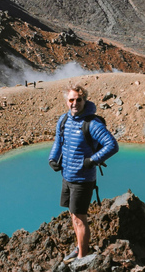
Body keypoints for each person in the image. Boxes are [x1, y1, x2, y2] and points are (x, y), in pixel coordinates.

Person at [48, 84, 118, 263]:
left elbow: (112, 145)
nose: (74, 103)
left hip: (83, 179)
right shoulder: (63, 120)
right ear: (66, 101)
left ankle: (81, 257)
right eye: (71, 100)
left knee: (80, 218)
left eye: (78, 100)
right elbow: (59, 142)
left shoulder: (92, 123)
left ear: (84, 101)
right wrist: (52, 159)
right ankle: (80, 246)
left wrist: (91, 161)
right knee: (73, 215)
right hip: (67, 176)